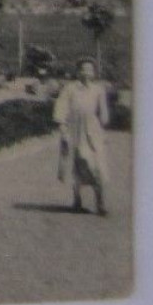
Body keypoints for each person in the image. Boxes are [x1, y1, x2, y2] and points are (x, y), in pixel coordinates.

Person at [53, 57, 111, 215]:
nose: (86, 72)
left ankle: (100, 203)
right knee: (75, 163)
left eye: (90, 69)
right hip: (74, 130)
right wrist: (62, 127)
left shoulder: (98, 89)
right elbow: (61, 106)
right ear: (77, 71)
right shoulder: (70, 89)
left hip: (92, 130)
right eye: (83, 69)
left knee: (96, 164)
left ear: (93, 72)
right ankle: (77, 199)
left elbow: (103, 112)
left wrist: (103, 126)